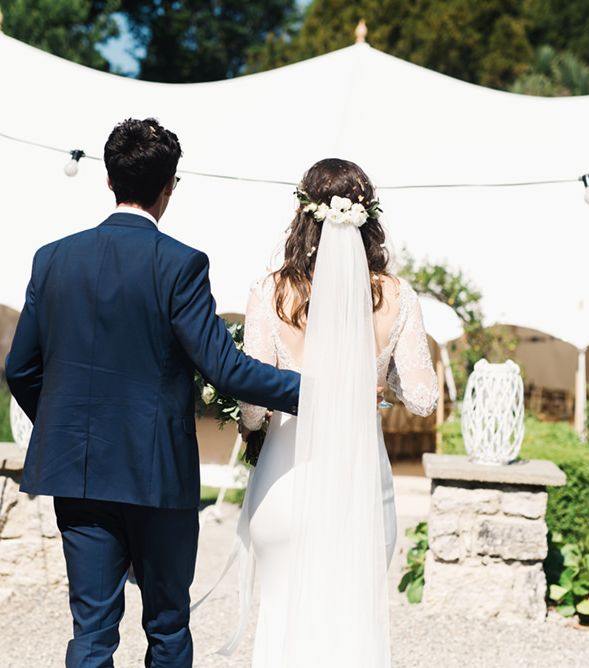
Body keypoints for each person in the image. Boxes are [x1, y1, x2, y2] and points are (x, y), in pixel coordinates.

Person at [4, 117, 301, 668]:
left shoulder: (53, 259)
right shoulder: (180, 264)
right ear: (170, 187)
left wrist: (68, 427)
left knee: (91, 633)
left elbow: (20, 369)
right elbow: (226, 369)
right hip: (156, 474)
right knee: (167, 628)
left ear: (110, 182)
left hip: (80, 472)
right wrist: (313, 390)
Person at [228, 158, 439, 666]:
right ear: (368, 218)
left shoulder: (270, 290)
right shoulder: (397, 296)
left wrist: (251, 427)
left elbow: (254, 402)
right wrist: (377, 384)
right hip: (360, 484)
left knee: (281, 619)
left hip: (286, 480)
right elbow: (425, 398)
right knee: (353, 623)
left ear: (304, 215)